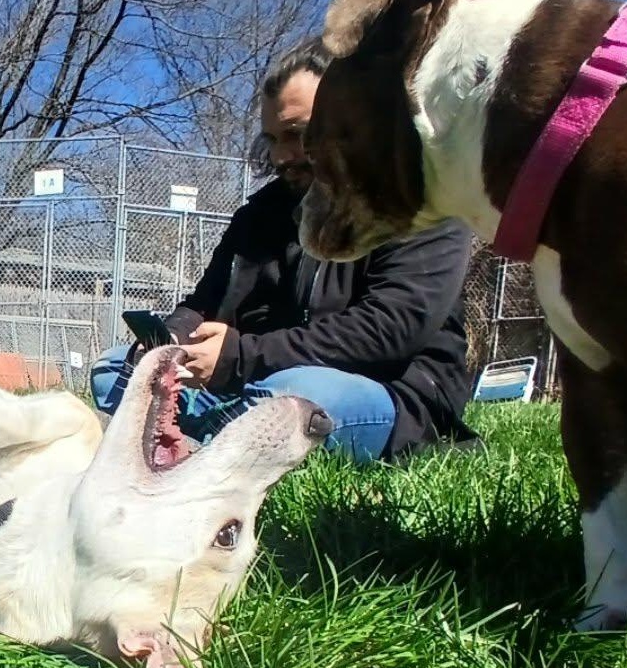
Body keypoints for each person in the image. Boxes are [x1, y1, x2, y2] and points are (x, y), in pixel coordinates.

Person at [90, 37, 478, 462]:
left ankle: (199, 444)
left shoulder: (419, 204)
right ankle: (223, 437)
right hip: (260, 378)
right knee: (115, 370)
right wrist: (168, 343)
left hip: (383, 392)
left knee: (295, 398)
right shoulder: (261, 215)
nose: (281, 157)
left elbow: (391, 327)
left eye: (297, 134)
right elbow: (206, 302)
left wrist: (239, 356)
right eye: (272, 139)